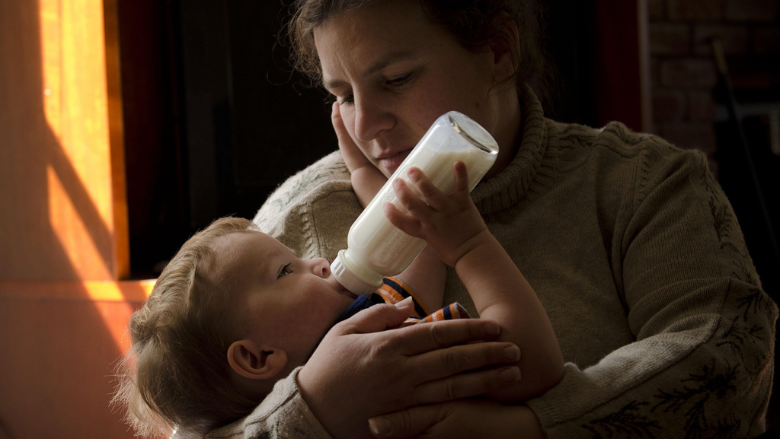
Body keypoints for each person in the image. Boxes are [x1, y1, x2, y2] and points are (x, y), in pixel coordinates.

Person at [239, 0, 779, 438]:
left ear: (498, 50)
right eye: (343, 95)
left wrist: (531, 428)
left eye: (397, 79)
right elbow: (183, 423)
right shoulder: (298, 220)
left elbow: (728, 365)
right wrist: (312, 409)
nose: (368, 124)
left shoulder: (645, 185)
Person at [113, 160, 565, 437]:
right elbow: (529, 362)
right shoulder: (380, 365)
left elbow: (417, 253)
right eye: (286, 270)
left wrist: (370, 176)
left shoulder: (364, 316)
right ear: (257, 357)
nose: (319, 261)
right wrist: (469, 244)